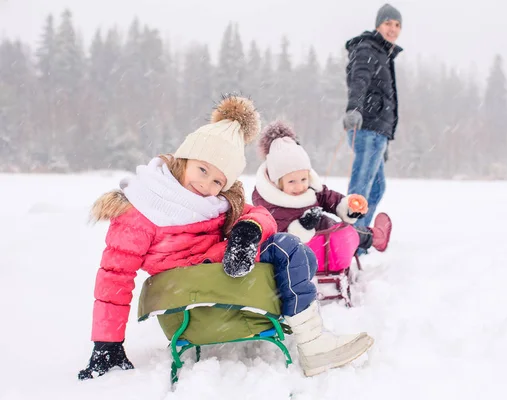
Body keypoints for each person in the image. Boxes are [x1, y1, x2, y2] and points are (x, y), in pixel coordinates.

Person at [77, 96, 374, 380]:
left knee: (299, 253)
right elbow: (114, 276)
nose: (206, 185)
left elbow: (260, 214)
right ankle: (313, 344)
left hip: (220, 276)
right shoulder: (142, 208)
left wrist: (248, 231)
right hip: (189, 300)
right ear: (185, 159)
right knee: (289, 250)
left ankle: (310, 335)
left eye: (218, 181)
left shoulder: (216, 203)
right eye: (202, 170)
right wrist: (107, 344)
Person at [252, 120, 392, 253]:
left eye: (303, 179)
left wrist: (347, 207)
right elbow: (277, 235)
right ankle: (373, 237)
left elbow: (329, 198)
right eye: (291, 182)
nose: (300, 186)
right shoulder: (270, 205)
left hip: (327, 239)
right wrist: (303, 226)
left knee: (347, 231)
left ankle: (374, 236)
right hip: (304, 252)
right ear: (277, 182)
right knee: (346, 234)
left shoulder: (311, 189)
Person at [342, 3, 402, 251]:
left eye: (397, 25)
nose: (393, 29)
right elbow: (359, 80)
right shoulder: (369, 48)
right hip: (366, 127)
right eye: (388, 23)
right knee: (361, 188)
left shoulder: (383, 53)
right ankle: (351, 241)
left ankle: (361, 235)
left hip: (378, 132)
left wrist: (385, 140)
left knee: (376, 187)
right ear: (378, 25)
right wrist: (354, 108)